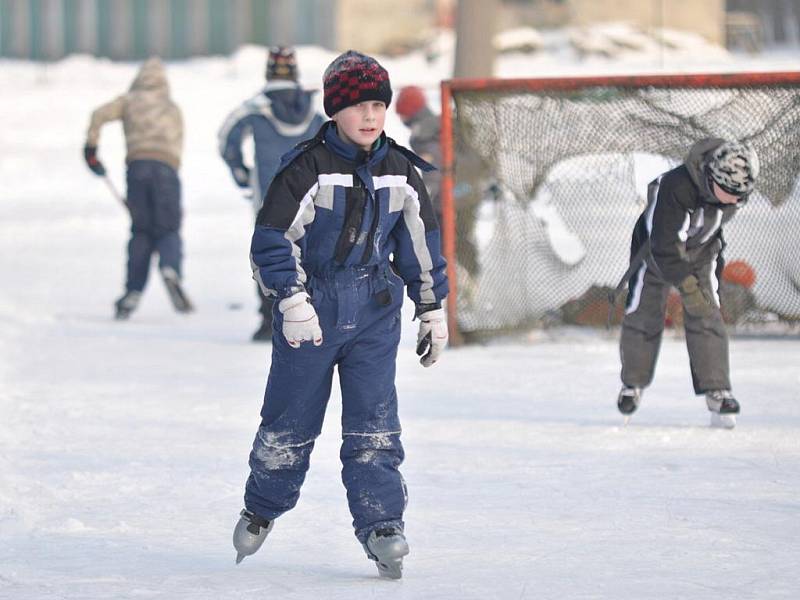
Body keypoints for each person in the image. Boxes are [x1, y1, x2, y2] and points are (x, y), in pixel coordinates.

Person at [232, 50, 449, 579]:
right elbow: (272, 239)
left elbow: (421, 243)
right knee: (289, 421)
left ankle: (382, 524)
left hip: (375, 310)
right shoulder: (306, 167)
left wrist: (432, 306)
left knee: (374, 425)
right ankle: (262, 505)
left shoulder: (399, 169)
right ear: (334, 110)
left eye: (378, 104)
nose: (370, 116)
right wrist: (290, 299)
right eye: (358, 107)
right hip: (312, 309)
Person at [617, 139, 760, 428]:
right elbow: (665, 245)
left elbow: (714, 226)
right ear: (711, 178)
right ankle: (632, 384)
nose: (735, 201)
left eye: (741, 195)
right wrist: (687, 286)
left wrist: (702, 285)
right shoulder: (677, 187)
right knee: (643, 312)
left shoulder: (732, 192)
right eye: (731, 193)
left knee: (707, 312)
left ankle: (717, 390)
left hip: (702, 252)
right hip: (656, 251)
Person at [218, 46, 325, 341]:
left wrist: (241, 172)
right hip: (310, 197)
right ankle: (312, 313)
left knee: (269, 253)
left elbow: (226, 138)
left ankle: (270, 320)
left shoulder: (254, 108)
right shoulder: (313, 112)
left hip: (268, 196)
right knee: (308, 252)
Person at [84, 57, 192, 320]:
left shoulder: (129, 100)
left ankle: (132, 290)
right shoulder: (172, 108)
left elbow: (98, 114)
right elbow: (178, 144)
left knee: (141, 231)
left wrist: (91, 147)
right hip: (167, 170)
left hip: (137, 168)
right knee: (168, 228)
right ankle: (170, 268)